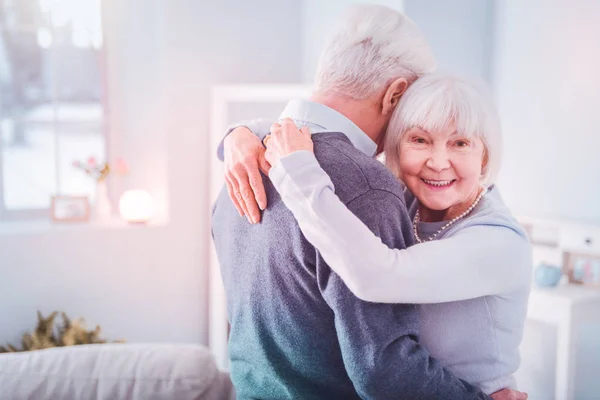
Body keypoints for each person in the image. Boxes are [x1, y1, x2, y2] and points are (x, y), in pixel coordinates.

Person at [213, 4, 526, 400]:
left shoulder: (240, 173)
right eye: (419, 137)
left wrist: (239, 137)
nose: (438, 160)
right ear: (396, 95)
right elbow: (383, 371)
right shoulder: (367, 187)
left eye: (461, 143)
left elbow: (380, 275)